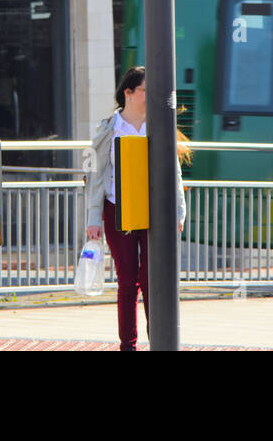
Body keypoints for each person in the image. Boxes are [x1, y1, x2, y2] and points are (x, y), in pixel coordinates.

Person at [84, 67, 189, 350]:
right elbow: (94, 177)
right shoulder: (108, 128)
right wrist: (92, 219)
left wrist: (179, 211)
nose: (151, 97)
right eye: (146, 91)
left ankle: (159, 340)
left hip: (152, 210)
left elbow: (173, 171)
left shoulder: (159, 125)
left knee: (152, 278)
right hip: (117, 209)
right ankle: (128, 344)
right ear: (129, 93)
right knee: (128, 279)